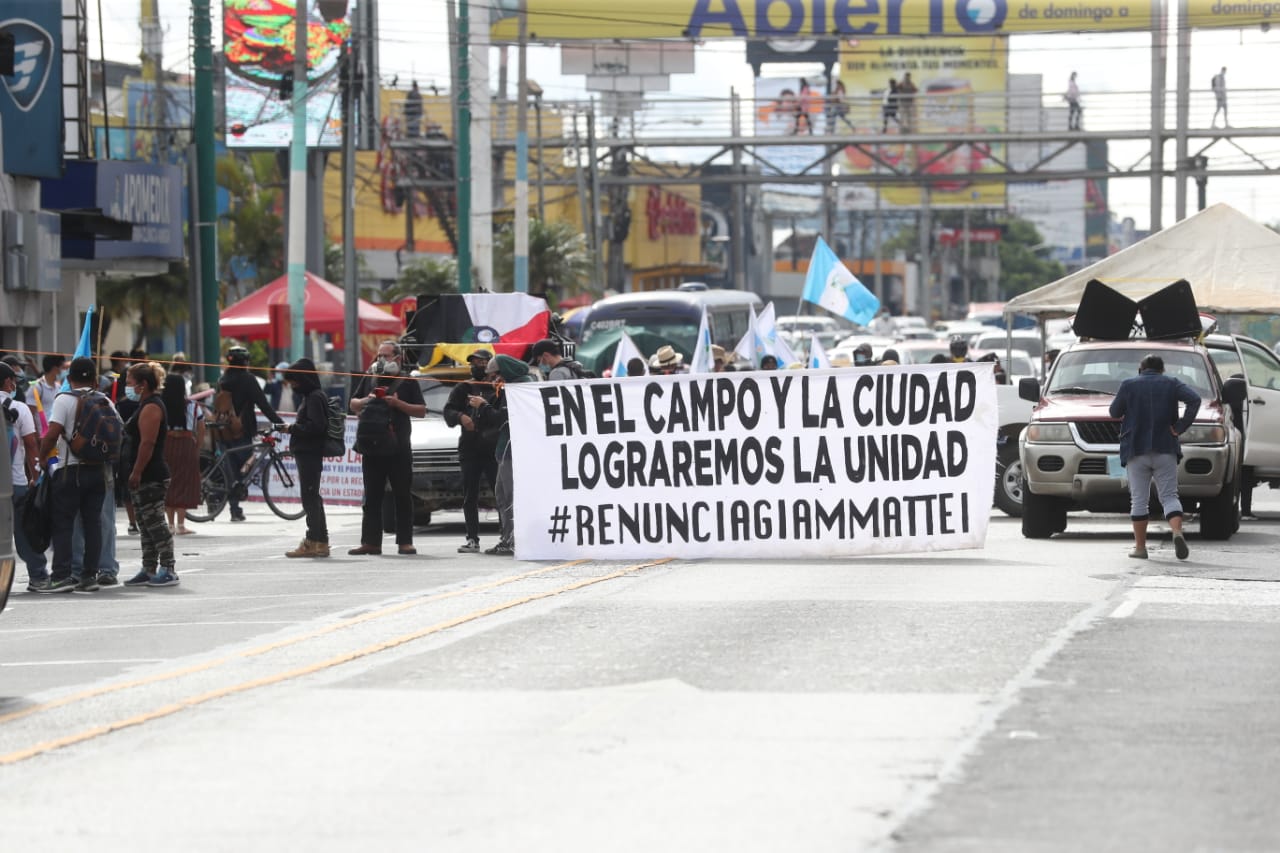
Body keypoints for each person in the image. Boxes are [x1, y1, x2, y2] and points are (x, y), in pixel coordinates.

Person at [1108, 354, 1200, 561]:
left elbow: (1114, 412)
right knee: (1169, 496)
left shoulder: (1128, 384)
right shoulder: (1172, 383)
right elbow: (1195, 399)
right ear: (1162, 370)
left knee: (1139, 500)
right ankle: (1177, 532)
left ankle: (1140, 548)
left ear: (1140, 370)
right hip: (1165, 447)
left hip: (1135, 449)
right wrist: (1179, 427)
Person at [34, 357, 112, 593]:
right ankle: (89, 576)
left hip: (70, 469)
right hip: (98, 470)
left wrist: (42, 458)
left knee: (64, 523)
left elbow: (52, 433)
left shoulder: (64, 399)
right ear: (95, 379)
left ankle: (61, 576)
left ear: (69, 379)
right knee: (93, 523)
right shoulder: (105, 400)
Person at [348, 341, 426, 556]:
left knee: (402, 495)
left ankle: (405, 542)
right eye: (379, 355)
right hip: (372, 447)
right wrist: (368, 400)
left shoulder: (407, 382)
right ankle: (371, 542)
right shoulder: (370, 377)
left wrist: (397, 404)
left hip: (399, 448)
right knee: (372, 497)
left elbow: (421, 411)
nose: (382, 360)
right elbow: (352, 403)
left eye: (386, 355)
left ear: (398, 358)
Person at [118, 362, 178, 587]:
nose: (127, 387)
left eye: (130, 383)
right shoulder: (143, 405)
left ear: (143, 385)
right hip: (141, 475)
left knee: (155, 523)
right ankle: (149, 567)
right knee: (144, 523)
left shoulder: (152, 407)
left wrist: (137, 472)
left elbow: (148, 443)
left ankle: (168, 568)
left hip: (151, 475)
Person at [473, 354, 534, 556]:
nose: (492, 380)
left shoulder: (518, 389)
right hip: (506, 448)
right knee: (502, 494)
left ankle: (512, 540)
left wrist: (483, 405)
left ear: (504, 372)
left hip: (511, 449)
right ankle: (507, 537)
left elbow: (501, 418)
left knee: (509, 496)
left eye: (494, 375)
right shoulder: (512, 387)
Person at [218, 345, 284, 522]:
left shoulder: (223, 379)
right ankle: (235, 503)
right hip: (242, 429)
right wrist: (278, 421)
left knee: (232, 470)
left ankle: (234, 509)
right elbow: (263, 404)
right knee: (244, 466)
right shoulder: (248, 379)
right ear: (246, 362)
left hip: (224, 429)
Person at [443, 349, 499, 554]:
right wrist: (461, 417)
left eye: (484, 362)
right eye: (476, 362)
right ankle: (472, 538)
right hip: (470, 448)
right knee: (470, 496)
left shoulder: (498, 386)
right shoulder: (462, 388)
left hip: (494, 449)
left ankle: (506, 536)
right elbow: (448, 411)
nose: (480, 365)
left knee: (501, 493)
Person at [2, 362, 48, 591]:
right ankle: (38, 577)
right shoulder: (18, 408)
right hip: (15, 482)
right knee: (24, 531)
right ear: (9, 382)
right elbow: (31, 446)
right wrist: (35, 476)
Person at [280, 358, 331, 558]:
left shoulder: (314, 397)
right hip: (307, 453)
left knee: (310, 498)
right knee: (312, 498)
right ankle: (319, 541)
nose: (293, 385)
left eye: (295, 381)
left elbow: (317, 427)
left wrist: (292, 428)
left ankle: (314, 540)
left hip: (310, 453)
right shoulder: (311, 396)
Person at [161, 373, 203, 536]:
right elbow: (201, 427)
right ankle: (180, 525)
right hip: (186, 444)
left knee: (168, 483)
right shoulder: (192, 405)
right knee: (184, 483)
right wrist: (196, 447)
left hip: (166, 445)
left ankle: (169, 524)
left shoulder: (161, 405)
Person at [28, 353, 67, 435]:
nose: (65, 371)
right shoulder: (36, 387)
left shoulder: (59, 387)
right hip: (42, 436)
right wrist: (36, 436)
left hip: (56, 435)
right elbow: (30, 414)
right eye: (63, 368)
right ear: (55, 369)